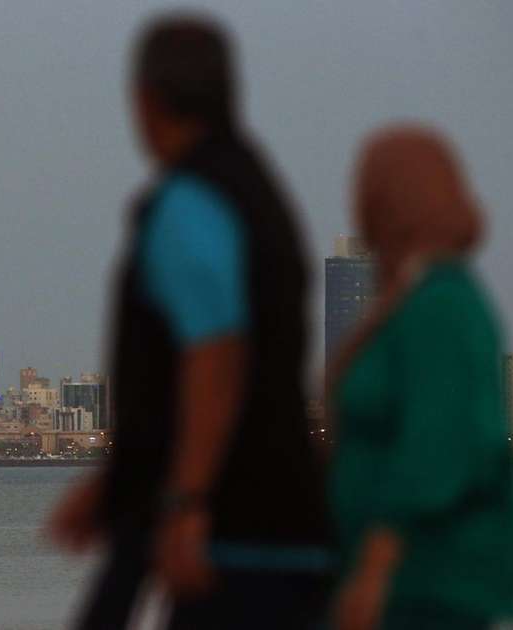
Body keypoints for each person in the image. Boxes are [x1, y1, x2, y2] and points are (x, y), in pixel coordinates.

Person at [49, 15, 331, 629]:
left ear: (145, 100)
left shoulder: (189, 201)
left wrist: (187, 500)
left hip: (229, 537)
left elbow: (216, 352)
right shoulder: (263, 196)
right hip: (284, 525)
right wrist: (120, 483)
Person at [328, 126, 513, 630]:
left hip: (421, 586)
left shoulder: (440, 305)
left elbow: (436, 448)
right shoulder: (416, 299)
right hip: (407, 582)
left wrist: (375, 568)